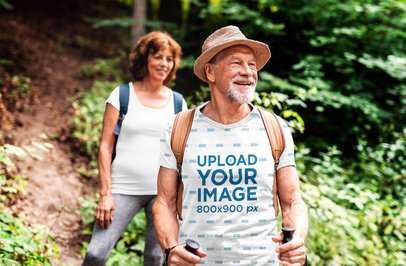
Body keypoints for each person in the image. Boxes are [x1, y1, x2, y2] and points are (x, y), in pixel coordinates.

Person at [152, 25, 308, 265]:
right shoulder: (178, 128)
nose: (248, 72)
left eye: (252, 65)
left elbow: (293, 202)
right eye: (236, 63)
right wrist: (171, 248)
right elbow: (164, 202)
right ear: (210, 72)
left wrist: (296, 239)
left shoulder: (275, 128)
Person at [82, 31, 187, 265]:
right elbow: (105, 147)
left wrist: (180, 199)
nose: (164, 64)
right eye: (158, 56)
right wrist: (105, 193)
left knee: (155, 258)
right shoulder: (122, 95)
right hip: (122, 189)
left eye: (169, 59)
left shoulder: (178, 103)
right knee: (95, 254)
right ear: (144, 58)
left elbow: (181, 154)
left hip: (163, 195)